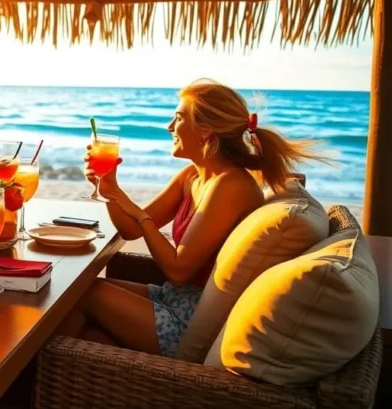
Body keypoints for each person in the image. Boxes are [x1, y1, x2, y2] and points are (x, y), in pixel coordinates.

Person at [59, 79, 322, 358]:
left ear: (206, 130)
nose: (169, 127)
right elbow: (130, 230)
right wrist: (108, 188)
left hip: (193, 319)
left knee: (83, 293)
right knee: (88, 321)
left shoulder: (230, 185)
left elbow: (178, 271)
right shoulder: (192, 177)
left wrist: (138, 213)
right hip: (174, 298)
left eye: (178, 118)